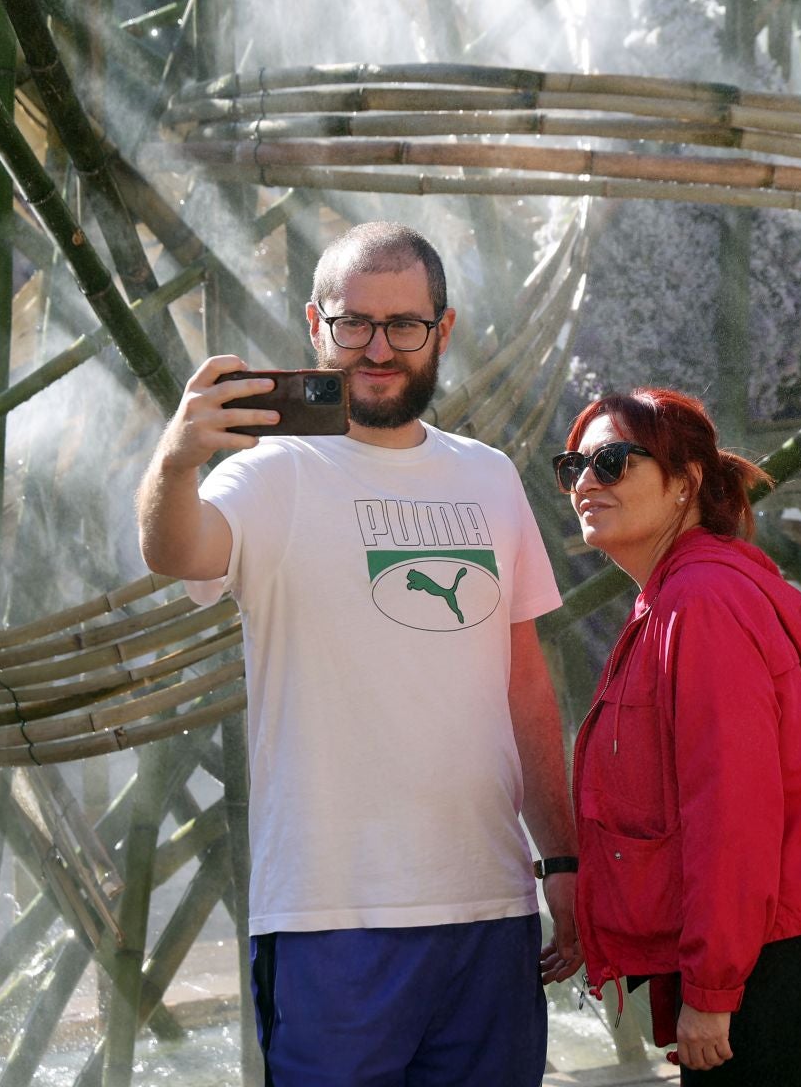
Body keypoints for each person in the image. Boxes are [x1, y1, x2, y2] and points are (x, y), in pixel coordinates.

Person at [135, 222, 581, 1086]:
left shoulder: (489, 476)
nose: (379, 348)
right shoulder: (271, 474)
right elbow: (175, 551)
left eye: (404, 324)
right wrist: (175, 461)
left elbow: (526, 687)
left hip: (490, 906)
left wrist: (560, 860)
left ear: (442, 331)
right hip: (330, 915)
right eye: (355, 323)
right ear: (316, 326)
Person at [556, 388, 801, 1084]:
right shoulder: (685, 595)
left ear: (685, 483)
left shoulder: (701, 602)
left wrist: (713, 991)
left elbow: (731, 810)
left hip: (778, 946)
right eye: (574, 467)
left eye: (614, 461)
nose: (588, 481)